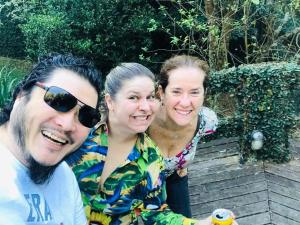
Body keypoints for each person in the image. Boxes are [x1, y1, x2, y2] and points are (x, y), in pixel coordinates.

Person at [67, 63, 238, 225]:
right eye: (134, 97)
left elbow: (155, 213)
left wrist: (201, 223)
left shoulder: (151, 157)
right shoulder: (79, 134)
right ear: (110, 101)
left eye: (150, 97)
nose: (146, 107)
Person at [0, 53, 102, 225]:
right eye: (58, 100)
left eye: (87, 116)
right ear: (21, 95)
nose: (68, 124)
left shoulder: (64, 175)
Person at [147, 55, 218, 217]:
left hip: (175, 176)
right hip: (136, 181)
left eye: (194, 92)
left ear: (204, 93)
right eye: (176, 92)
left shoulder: (207, 121)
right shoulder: (142, 119)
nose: (185, 102)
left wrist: (181, 163)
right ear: (161, 92)